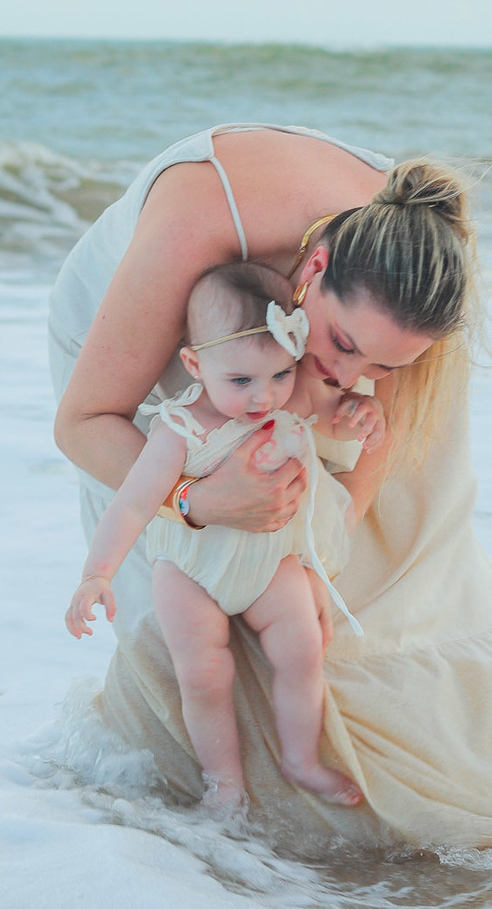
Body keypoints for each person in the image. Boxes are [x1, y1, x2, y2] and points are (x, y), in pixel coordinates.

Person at [50, 123, 492, 853]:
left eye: (381, 366)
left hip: (344, 295)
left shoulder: (412, 259)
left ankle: (382, 758)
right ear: (315, 266)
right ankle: (215, 800)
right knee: (191, 597)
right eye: (344, 346)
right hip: (143, 325)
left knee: (387, 552)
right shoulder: (198, 225)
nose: (350, 376)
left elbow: (372, 443)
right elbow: (83, 424)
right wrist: (195, 501)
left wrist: (321, 546)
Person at [65, 261, 381, 812]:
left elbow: (334, 417)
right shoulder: (180, 429)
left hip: (268, 559)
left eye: (281, 374)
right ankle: (223, 779)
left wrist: (361, 410)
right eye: (241, 381)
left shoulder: (291, 398)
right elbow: (135, 502)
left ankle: (301, 760)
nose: (264, 397)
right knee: (204, 674)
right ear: (195, 364)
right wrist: (97, 574)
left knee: (304, 649)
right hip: (191, 570)